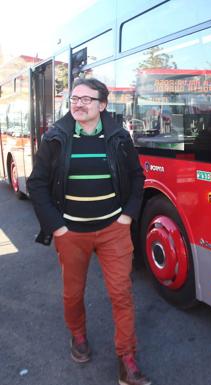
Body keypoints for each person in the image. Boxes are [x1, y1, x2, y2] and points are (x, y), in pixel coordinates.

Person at [27, 78, 150, 385]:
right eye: (74, 98)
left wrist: (128, 217)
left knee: (121, 293)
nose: (78, 104)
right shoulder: (55, 138)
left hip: (113, 230)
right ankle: (78, 335)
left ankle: (127, 358)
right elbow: (37, 184)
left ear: (102, 105)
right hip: (71, 234)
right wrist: (57, 227)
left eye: (86, 99)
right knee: (72, 294)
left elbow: (137, 177)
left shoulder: (119, 137)